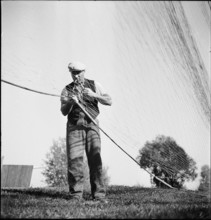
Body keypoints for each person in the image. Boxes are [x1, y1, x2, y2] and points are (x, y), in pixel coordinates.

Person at [60, 61, 112, 202]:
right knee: (75, 161)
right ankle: (75, 195)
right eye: (73, 73)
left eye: (79, 72)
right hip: (74, 128)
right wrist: (71, 102)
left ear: (84, 72)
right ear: (70, 73)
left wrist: (94, 95)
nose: (76, 76)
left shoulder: (95, 84)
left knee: (95, 160)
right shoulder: (67, 89)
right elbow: (63, 111)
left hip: (92, 126)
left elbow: (109, 100)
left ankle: (99, 195)